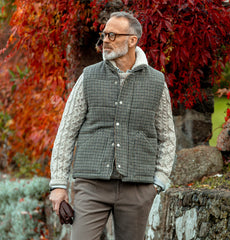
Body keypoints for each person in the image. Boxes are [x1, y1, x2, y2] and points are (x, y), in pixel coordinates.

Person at [49, 11, 176, 240]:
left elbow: (167, 135)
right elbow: (66, 132)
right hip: (91, 185)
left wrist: (158, 182)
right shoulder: (88, 77)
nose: (105, 40)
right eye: (104, 34)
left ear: (132, 40)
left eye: (112, 35)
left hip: (137, 188)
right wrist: (58, 184)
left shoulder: (157, 82)